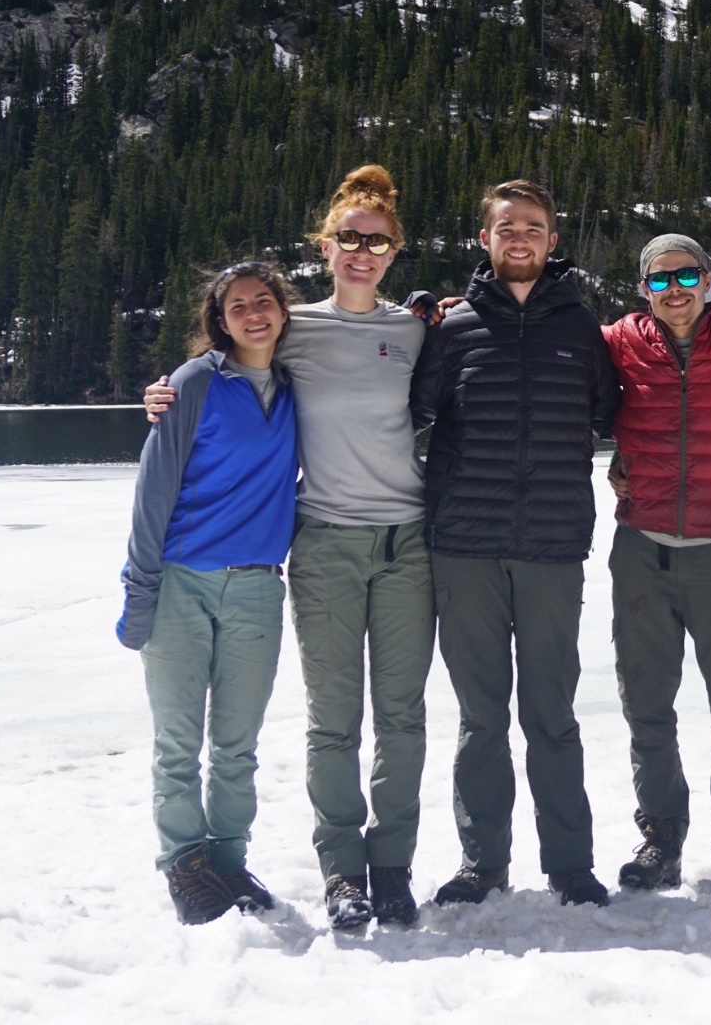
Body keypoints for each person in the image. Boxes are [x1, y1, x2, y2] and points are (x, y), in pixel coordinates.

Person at [146, 165, 435, 931]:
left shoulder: (413, 329)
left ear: (394, 250)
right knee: (333, 721)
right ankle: (342, 872)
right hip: (323, 542)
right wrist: (166, 393)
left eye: (376, 241)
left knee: (401, 716)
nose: (361, 251)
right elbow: (228, 360)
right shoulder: (294, 325)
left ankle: (393, 867)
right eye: (348, 238)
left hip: (408, 539)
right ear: (326, 245)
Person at [410, 179, 621, 907]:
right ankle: (484, 862)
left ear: (553, 240)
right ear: (486, 240)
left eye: (534, 225)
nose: (521, 237)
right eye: (507, 226)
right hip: (463, 546)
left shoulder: (580, 329)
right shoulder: (453, 327)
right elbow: (407, 410)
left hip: (553, 548)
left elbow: (607, 413)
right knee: (481, 716)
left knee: (552, 715)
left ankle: (569, 863)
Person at [115, 262, 298, 926]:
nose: (253, 313)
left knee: (236, 743)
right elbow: (153, 489)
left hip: (256, 586)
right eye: (237, 306)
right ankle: (184, 863)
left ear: (282, 309)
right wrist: (141, 588)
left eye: (264, 301)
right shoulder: (194, 383)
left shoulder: (295, 383)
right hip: (181, 584)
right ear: (219, 321)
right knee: (177, 740)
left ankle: (227, 859)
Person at [600, 234, 711, 896]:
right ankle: (661, 838)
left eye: (687, 275)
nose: (676, 289)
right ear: (644, 288)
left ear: (710, 277)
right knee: (646, 703)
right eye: (660, 279)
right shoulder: (618, 340)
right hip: (641, 546)